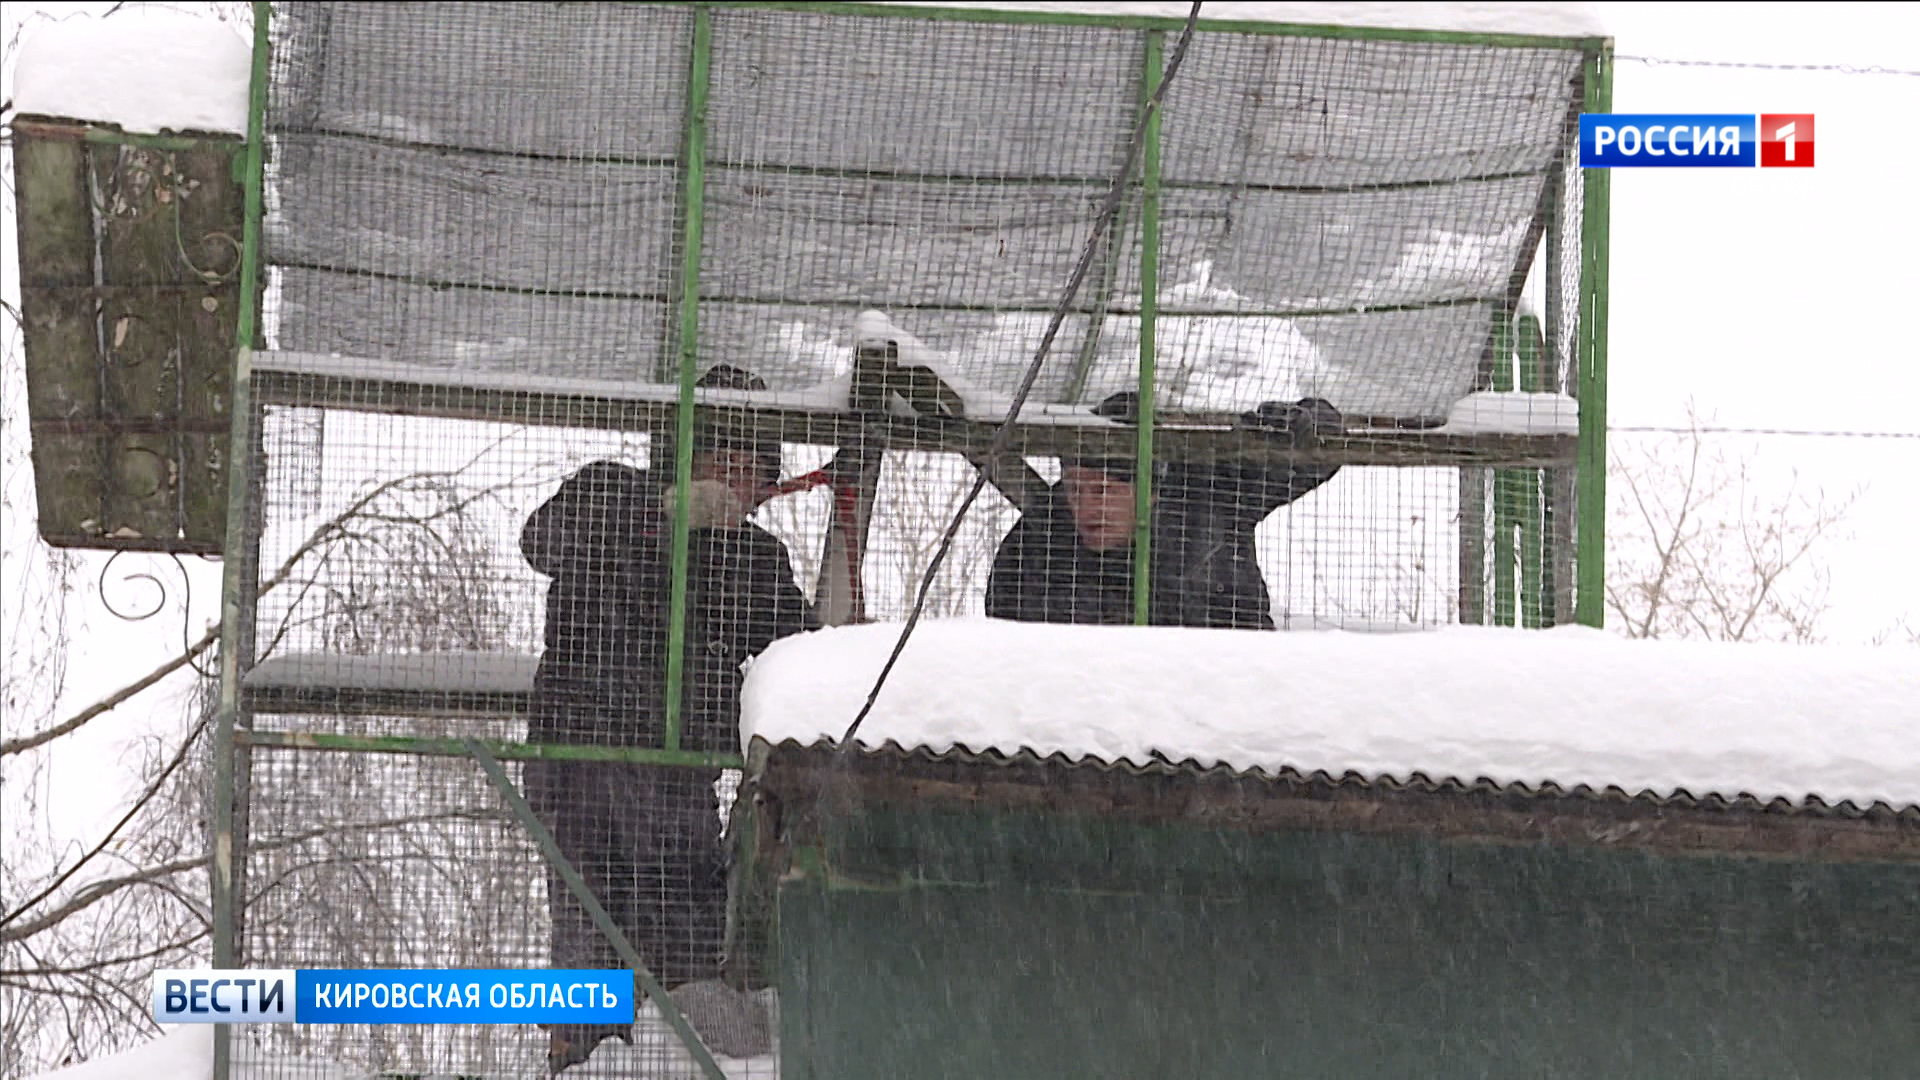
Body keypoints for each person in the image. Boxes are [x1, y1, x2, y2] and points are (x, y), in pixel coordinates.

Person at [520, 366, 812, 1072]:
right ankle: (581, 1059)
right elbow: (540, 541)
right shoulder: (610, 492)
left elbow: (805, 649)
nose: (735, 480)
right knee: (591, 944)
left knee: (690, 947)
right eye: (721, 460)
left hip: (680, 777)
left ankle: (699, 1062)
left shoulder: (755, 558)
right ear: (680, 458)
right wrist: (667, 510)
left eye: (752, 468)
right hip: (580, 760)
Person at [985, 395, 1343, 629]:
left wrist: (1298, 423)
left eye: (1105, 490)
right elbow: (1011, 634)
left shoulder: (1208, 490)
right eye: (1074, 489)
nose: (1086, 506)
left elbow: (1319, 455)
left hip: (1236, 676)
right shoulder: (1039, 540)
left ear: (1151, 490)